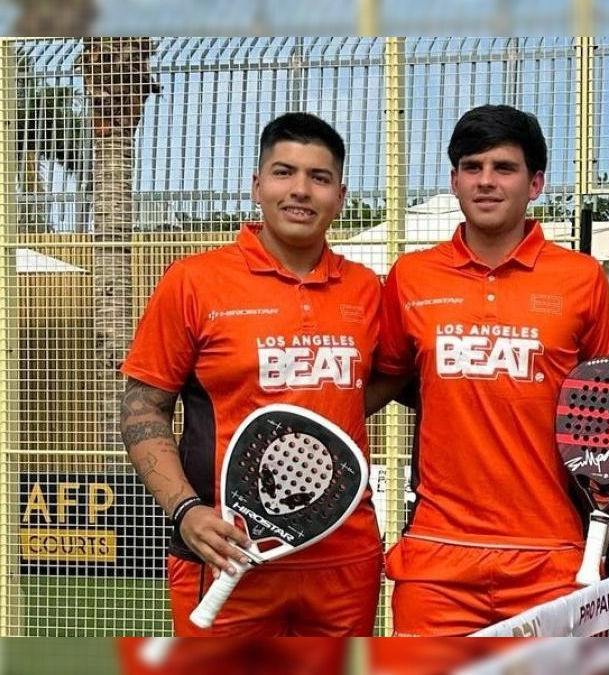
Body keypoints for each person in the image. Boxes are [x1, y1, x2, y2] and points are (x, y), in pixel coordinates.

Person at [119, 112, 383, 638]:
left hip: (344, 558)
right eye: (284, 172)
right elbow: (142, 408)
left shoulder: (366, 289)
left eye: (320, 177)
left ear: (341, 194)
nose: (301, 191)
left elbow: (387, 378)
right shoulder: (194, 281)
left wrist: (328, 413)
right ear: (256, 186)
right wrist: (186, 511)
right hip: (224, 552)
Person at [367, 104, 609, 636]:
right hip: (438, 557)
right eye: (472, 166)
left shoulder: (581, 278)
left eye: (503, 168)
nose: (486, 181)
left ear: (535, 184)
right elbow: (388, 379)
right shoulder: (411, 277)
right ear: (454, 180)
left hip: (551, 558)